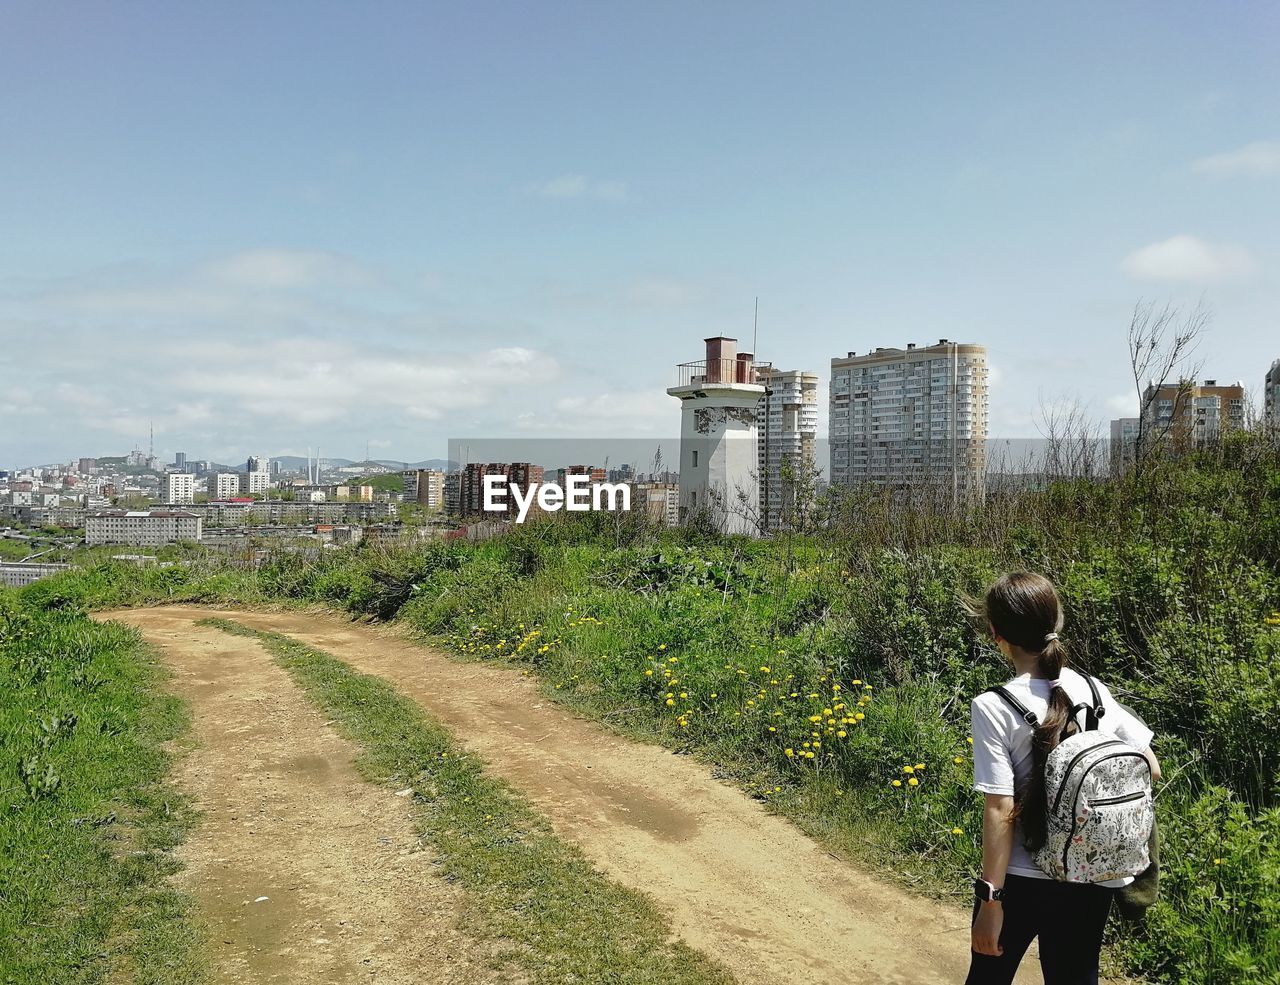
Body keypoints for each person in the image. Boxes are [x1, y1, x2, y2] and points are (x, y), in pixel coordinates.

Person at [966, 572, 1160, 985]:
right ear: (1055, 624)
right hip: (1090, 877)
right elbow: (1151, 766)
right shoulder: (1091, 688)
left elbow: (1000, 811)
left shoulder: (993, 705)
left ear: (996, 632)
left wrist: (991, 901)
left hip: (1021, 880)